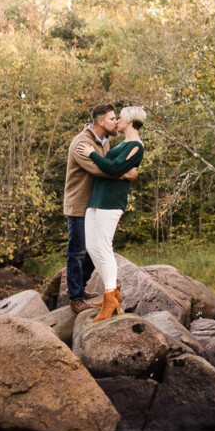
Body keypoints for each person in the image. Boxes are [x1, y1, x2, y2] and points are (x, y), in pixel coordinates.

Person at [82, 106, 146, 321]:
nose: (117, 121)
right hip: (97, 198)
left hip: (111, 201)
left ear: (129, 120)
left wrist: (91, 154)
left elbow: (113, 168)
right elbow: (113, 167)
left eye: (119, 118)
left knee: (104, 245)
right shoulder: (122, 144)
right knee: (92, 246)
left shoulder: (137, 146)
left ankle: (110, 298)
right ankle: (114, 292)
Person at [62, 104, 127, 313]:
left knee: (93, 250)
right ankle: (75, 298)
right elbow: (99, 170)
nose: (116, 122)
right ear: (100, 122)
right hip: (79, 204)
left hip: (95, 205)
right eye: (112, 118)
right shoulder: (82, 143)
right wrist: (124, 174)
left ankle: (79, 288)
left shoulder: (104, 142)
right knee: (77, 251)